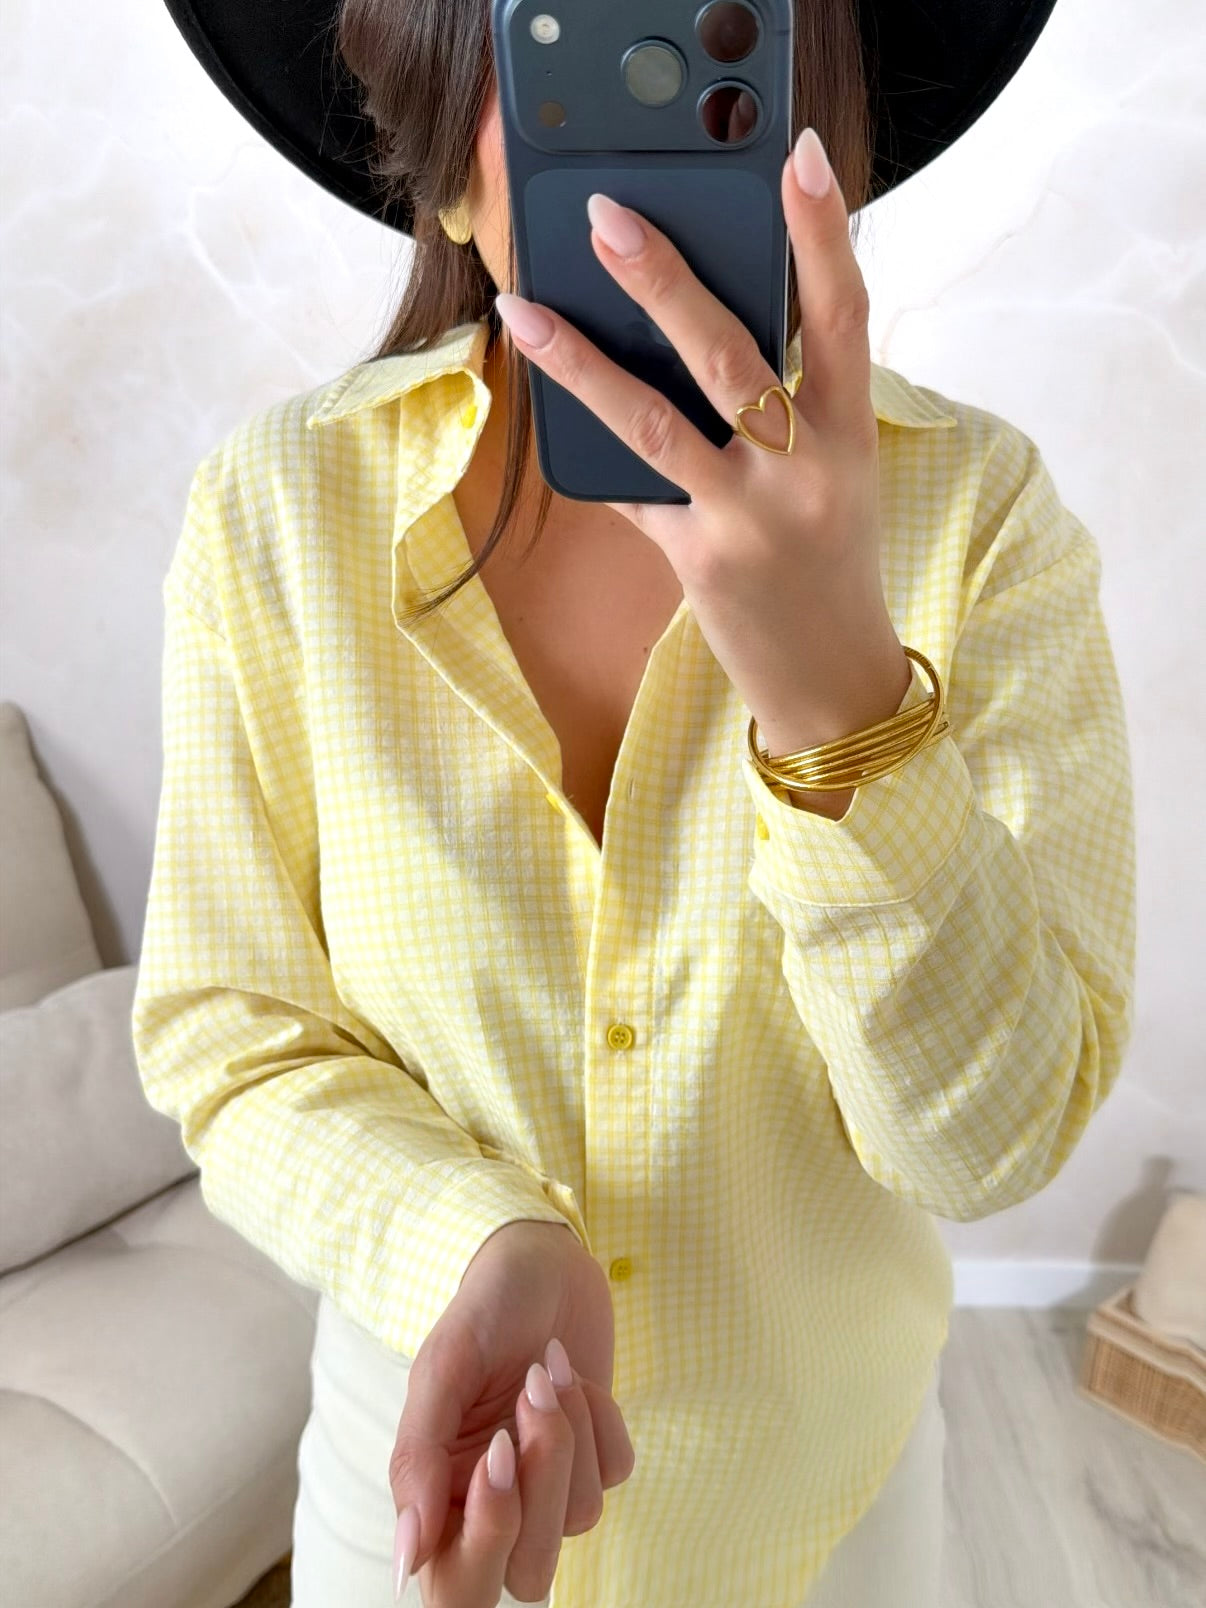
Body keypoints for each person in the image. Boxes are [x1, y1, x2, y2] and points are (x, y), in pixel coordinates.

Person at [135, 3, 1136, 1605]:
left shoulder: (980, 521)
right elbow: (229, 1034)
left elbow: (988, 1150)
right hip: (423, 1493)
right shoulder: (279, 515)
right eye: (560, 39)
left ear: (814, 122)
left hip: (826, 1524)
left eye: (704, 33)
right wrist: (470, 1237)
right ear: (440, 161)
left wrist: (846, 715)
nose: (641, 103)